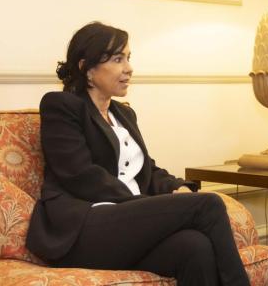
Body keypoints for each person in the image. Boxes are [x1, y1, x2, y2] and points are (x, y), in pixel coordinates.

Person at [26, 22, 250, 286]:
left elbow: (147, 169)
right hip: (84, 228)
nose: (129, 68)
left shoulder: (124, 114)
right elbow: (79, 174)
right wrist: (145, 204)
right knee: (208, 204)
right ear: (86, 67)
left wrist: (176, 188)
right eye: (118, 59)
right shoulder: (61, 106)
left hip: (126, 227)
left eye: (128, 58)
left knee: (194, 247)